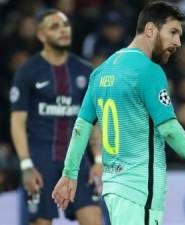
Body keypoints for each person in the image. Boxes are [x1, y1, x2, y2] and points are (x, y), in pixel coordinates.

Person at [51, 2, 185, 225]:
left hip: (115, 187)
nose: (178, 42)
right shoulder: (148, 71)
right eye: (173, 32)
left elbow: (82, 126)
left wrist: (70, 174)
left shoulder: (101, 71)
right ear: (151, 29)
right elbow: (170, 130)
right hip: (138, 186)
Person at [10, 9, 102, 225]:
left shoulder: (84, 70)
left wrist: (98, 158)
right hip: (42, 161)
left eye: (65, 25)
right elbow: (17, 121)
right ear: (41, 35)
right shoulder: (28, 72)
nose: (63, 30)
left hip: (78, 162)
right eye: (54, 27)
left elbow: (93, 120)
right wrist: (25, 165)